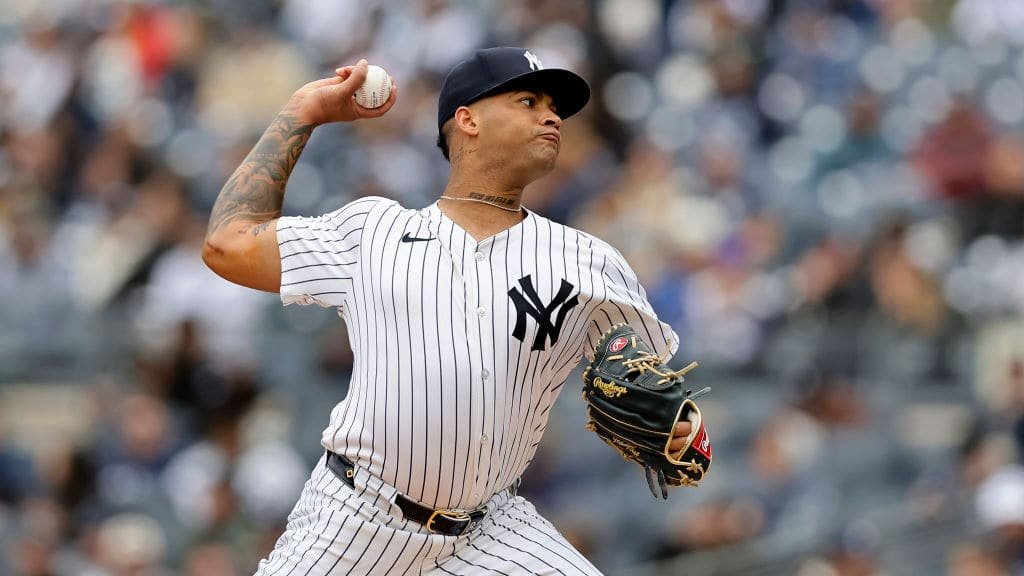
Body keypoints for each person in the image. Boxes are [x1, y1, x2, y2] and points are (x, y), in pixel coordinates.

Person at [203, 47, 697, 575]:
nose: (552, 117)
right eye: (528, 102)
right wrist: (303, 112)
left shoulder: (589, 261)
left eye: (555, 108)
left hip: (489, 534)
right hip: (353, 520)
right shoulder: (373, 232)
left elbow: (655, 386)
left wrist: (684, 430)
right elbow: (228, 244)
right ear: (467, 120)